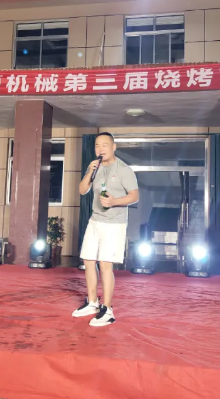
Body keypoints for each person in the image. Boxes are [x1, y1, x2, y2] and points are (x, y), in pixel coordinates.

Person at [73, 132, 139, 326]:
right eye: (97, 145)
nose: (100, 149)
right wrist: (89, 172)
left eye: (104, 145)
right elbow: (82, 190)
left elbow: (134, 196)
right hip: (95, 220)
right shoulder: (95, 167)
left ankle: (108, 310)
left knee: (105, 264)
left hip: (114, 223)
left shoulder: (124, 170)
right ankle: (93, 302)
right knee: (88, 260)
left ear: (113, 147)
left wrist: (114, 201)